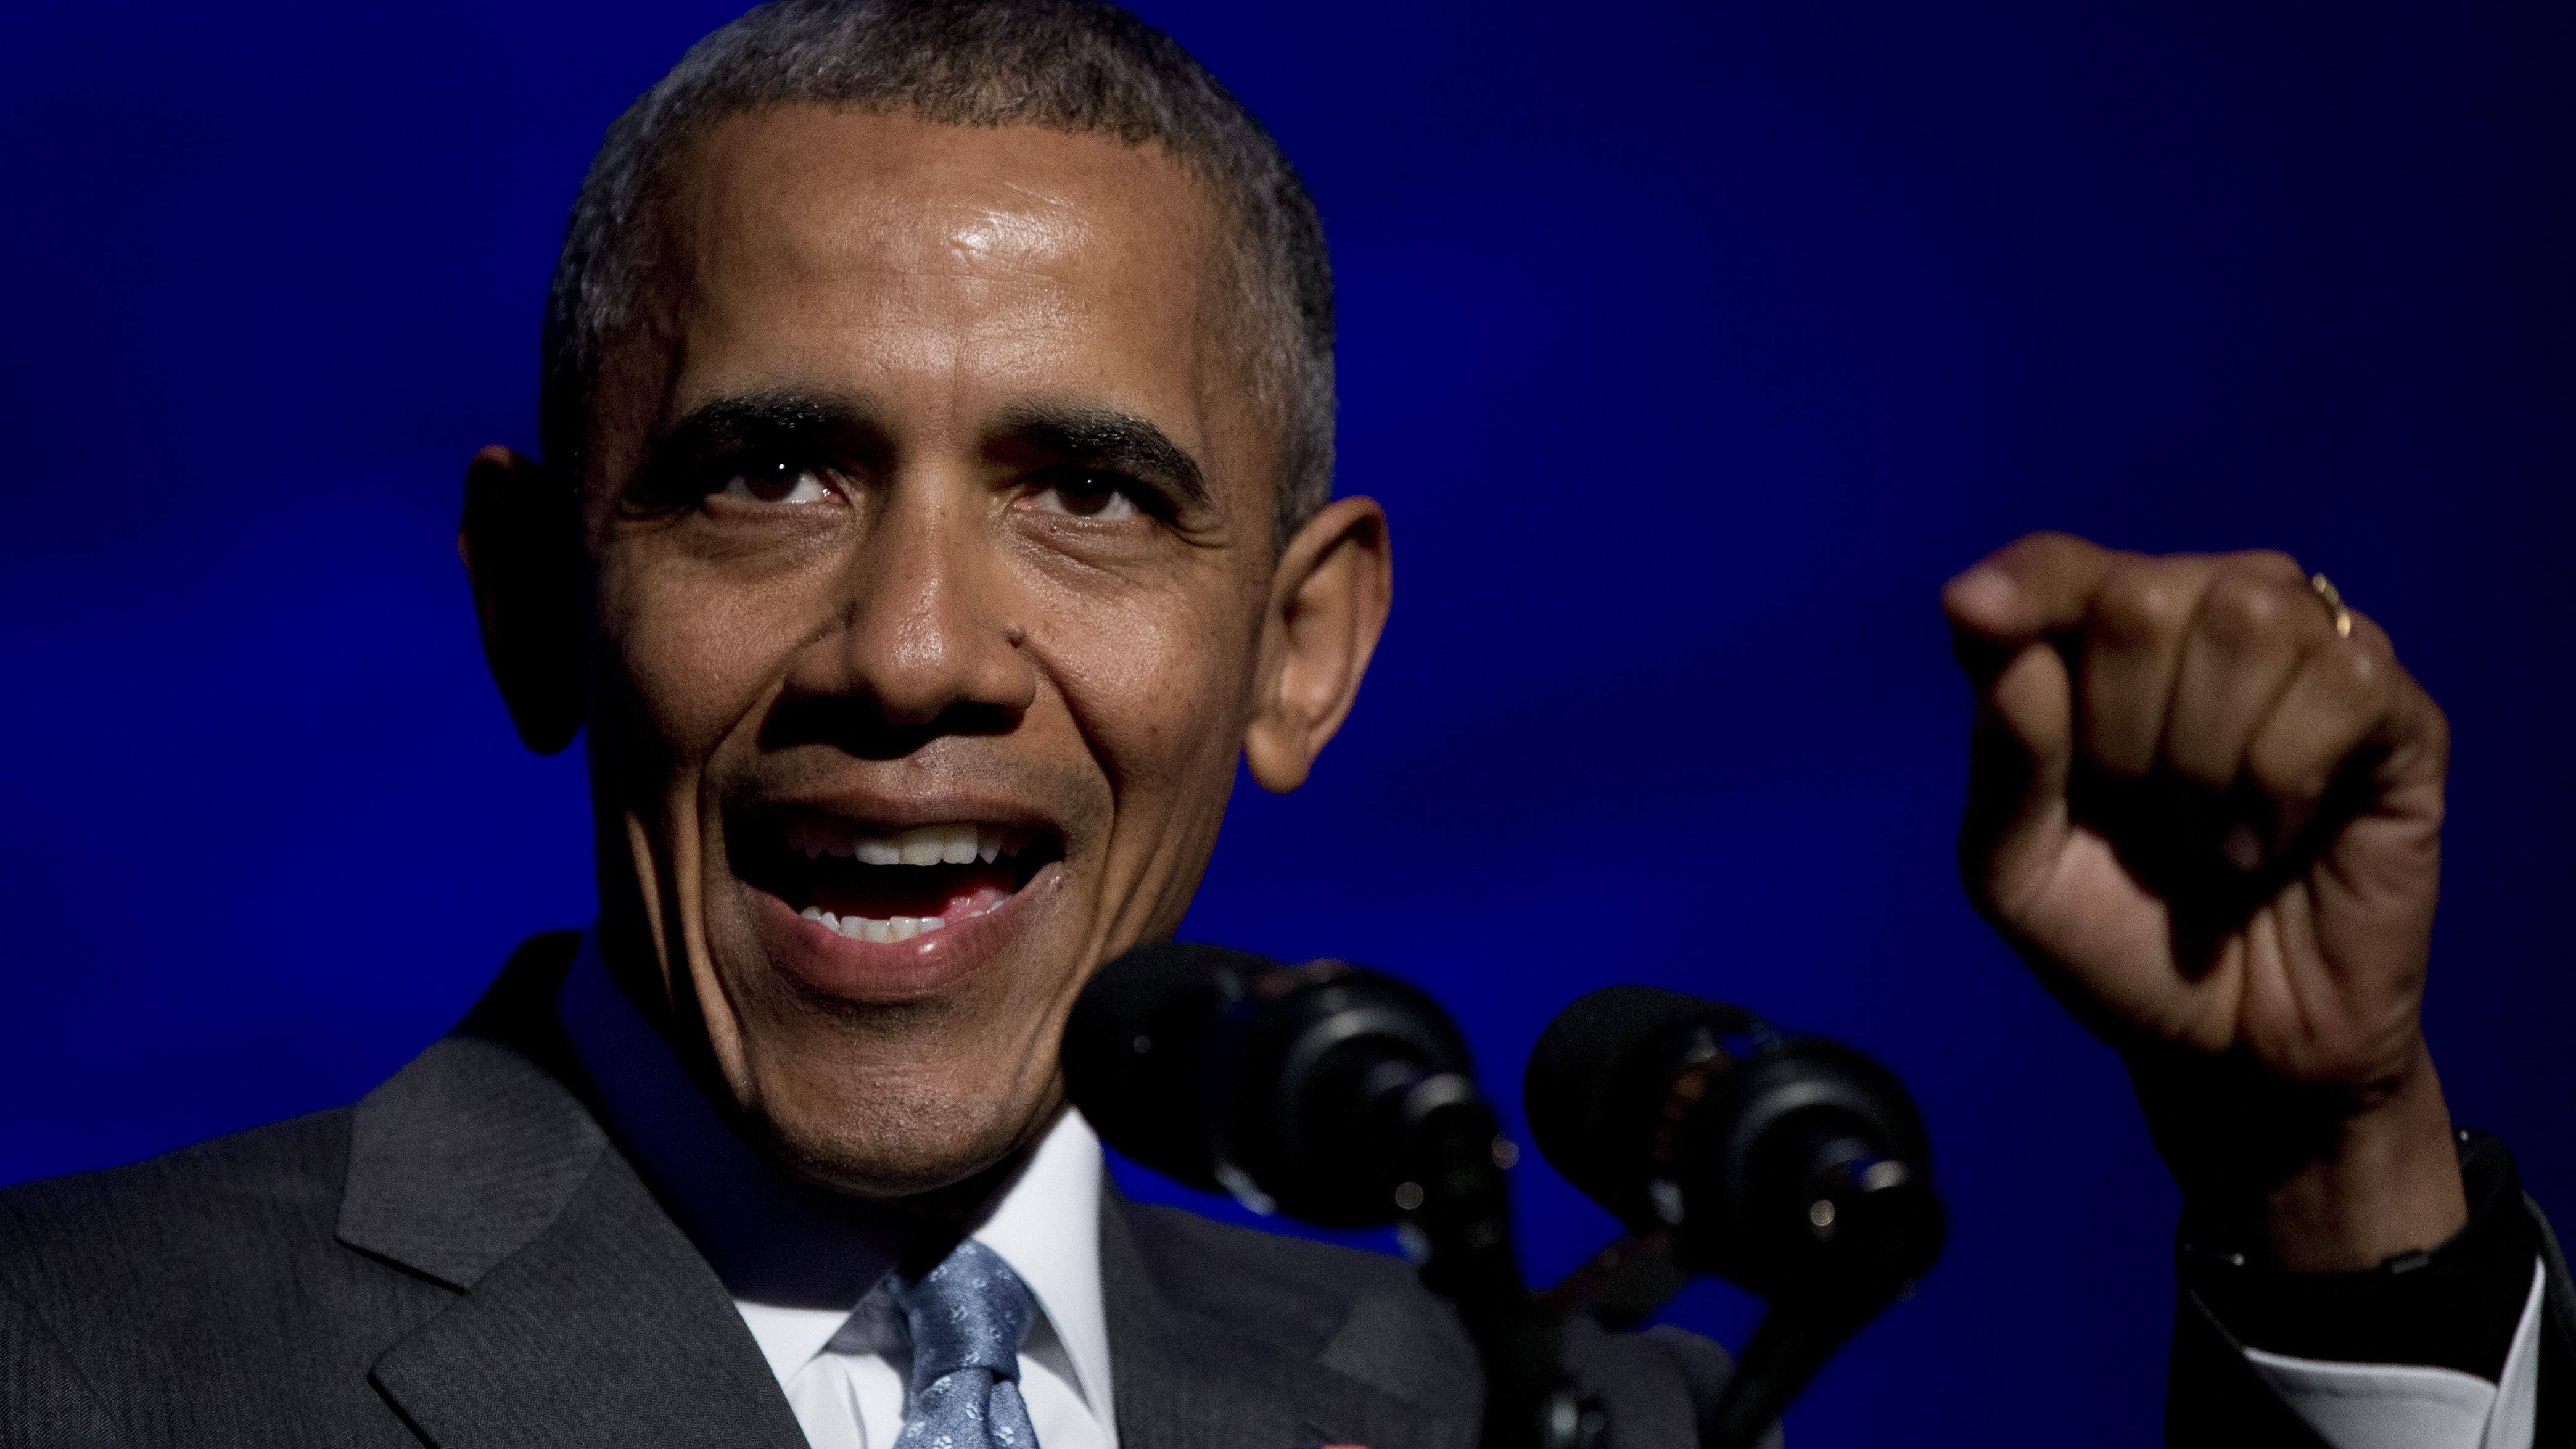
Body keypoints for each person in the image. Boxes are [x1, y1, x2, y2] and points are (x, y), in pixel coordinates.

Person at [0, 2, 2559, 1446]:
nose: (915, 649)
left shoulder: (1572, 1430)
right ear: (535, 595)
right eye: (767, 475)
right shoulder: (71, 1370)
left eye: (1088, 496)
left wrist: (2321, 1152)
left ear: (1304, 646)